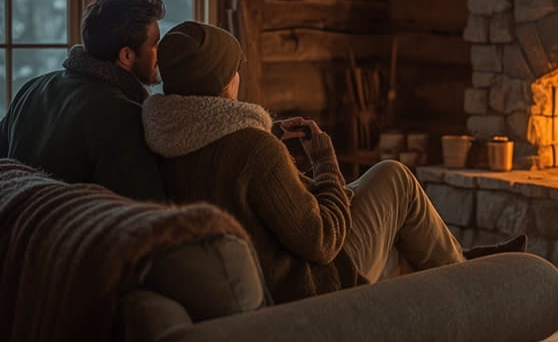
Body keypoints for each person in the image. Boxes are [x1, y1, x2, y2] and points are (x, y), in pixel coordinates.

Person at [142, 21, 527, 304]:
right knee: (394, 177)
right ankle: (469, 275)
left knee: (385, 222)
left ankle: (457, 258)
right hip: (310, 287)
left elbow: (233, 178)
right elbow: (323, 241)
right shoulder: (251, 149)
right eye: (235, 69)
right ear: (226, 80)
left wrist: (269, 139)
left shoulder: (165, 136)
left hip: (269, 268)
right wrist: (325, 162)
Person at [0, 0, 166, 201]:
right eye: (154, 44)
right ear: (126, 55)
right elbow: (143, 214)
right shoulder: (121, 115)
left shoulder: (32, 88)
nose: (161, 52)